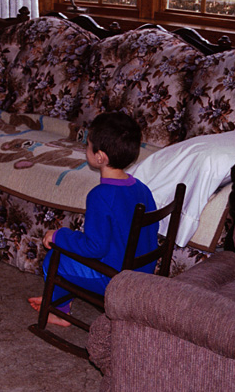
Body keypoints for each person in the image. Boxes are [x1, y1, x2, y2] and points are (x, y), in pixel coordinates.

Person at [28, 112, 158, 326]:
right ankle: (57, 298)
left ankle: (58, 310)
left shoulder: (100, 196)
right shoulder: (141, 188)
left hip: (116, 280)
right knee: (72, 254)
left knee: (55, 257)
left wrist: (59, 235)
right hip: (141, 276)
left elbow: (94, 248)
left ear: (100, 157)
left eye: (88, 145)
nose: (85, 149)